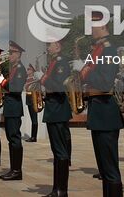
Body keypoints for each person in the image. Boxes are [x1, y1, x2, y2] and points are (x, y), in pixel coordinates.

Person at [82, 23, 123, 197]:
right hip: (98, 112)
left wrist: (85, 72)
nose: (90, 30)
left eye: (93, 26)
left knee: (110, 169)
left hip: (106, 113)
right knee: (104, 169)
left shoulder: (109, 50)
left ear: (103, 27)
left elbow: (105, 81)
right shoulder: (97, 50)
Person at [41, 37, 75, 197]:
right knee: (57, 152)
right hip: (54, 110)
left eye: (50, 45)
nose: (48, 48)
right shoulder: (54, 62)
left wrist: (44, 78)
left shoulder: (61, 62)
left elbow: (59, 87)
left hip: (58, 110)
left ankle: (61, 190)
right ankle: (57, 189)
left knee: (61, 152)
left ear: (58, 46)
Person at [0, 40, 28, 181]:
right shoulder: (13, 68)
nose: (9, 55)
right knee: (11, 139)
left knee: (14, 139)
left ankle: (17, 170)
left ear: (19, 54)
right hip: (10, 107)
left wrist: (2, 82)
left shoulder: (20, 69)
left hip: (14, 107)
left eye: (12, 52)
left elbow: (15, 89)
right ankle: (13, 168)